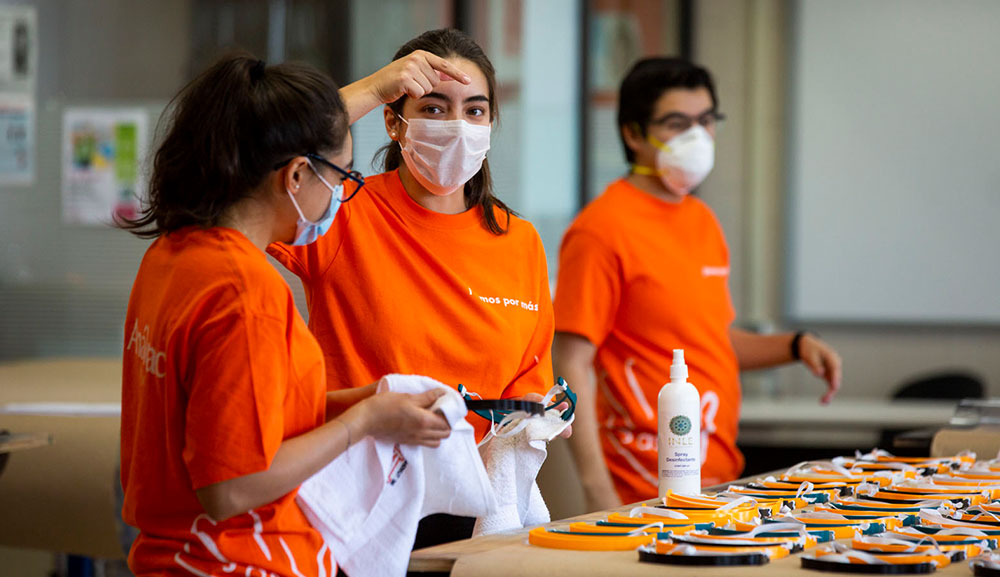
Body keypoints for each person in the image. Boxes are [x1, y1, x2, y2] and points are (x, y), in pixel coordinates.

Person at [119, 51, 472, 576]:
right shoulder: (245, 293)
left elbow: (241, 416)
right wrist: (363, 422)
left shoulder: (171, 257)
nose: (341, 195)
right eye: (342, 177)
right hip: (236, 560)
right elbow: (231, 486)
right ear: (297, 175)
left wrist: (369, 401)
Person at [268, 28, 563, 547]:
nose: (456, 125)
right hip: (358, 504)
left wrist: (538, 415)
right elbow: (259, 158)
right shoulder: (342, 211)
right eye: (433, 108)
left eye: (474, 110)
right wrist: (372, 88)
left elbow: (528, 378)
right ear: (393, 120)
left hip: (475, 508)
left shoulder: (519, 241)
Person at [553, 57, 843, 511]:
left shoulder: (702, 220)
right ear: (633, 134)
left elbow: (709, 341)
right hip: (642, 483)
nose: (698, 136)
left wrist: (794, 345)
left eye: (706, 120)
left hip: (718, 478)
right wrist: (597, 490)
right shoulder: (601, 230)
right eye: (677, 123)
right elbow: (570, 361)